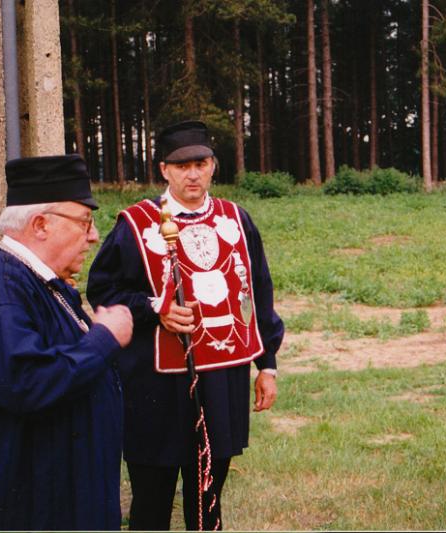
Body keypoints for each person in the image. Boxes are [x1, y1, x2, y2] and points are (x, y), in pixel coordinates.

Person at [87, 120, 284, 531]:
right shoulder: (136, 225)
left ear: (213, 166)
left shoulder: (236, 220)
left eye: (200, 163)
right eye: (181, 166)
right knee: (152, 500)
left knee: (209, 494)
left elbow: (258, 292)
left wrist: (267, 364)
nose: (192, 174)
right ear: (164, 170)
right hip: (155, 384)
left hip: (222, 379)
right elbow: (102, 290)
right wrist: (154, 307)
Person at [0, 154, 133, 530]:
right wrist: (104, 339)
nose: (93, 235)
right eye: (84, 221)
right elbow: (26, 382)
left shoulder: (36, 282)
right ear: (40, 225)